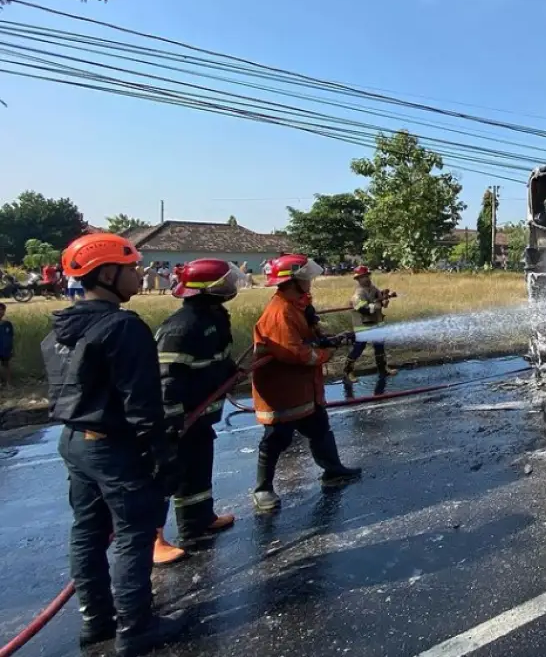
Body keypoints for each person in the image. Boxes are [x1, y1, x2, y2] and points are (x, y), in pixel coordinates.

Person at [42, 233, 184, 655]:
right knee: (133, 533)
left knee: (87, 531)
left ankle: (96, 621)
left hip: (73, 442)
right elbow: (141, 402)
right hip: (112, 446)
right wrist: (161, 454)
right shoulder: (123, 327)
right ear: (107, 273)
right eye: (131, 267)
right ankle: (136, 628)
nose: (139, 274)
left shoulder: (61, 329)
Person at [250, 253, 360, 513]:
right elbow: (296, 353)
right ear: (294, 281)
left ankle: (332, 470)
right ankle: (263, 489)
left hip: (303, 388)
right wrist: (327, 353)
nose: (311, 282)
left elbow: (308, 339)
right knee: (277, 438)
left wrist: (325, 338)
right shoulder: (279, 313)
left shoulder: (296, 306)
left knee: (319, 425)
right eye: (307, 278)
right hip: (282, 391)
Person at [150, 259, 241, 565]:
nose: (231, 288)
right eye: (225, 283)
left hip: (201, 417)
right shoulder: (181, 327)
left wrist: (231, 372)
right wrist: (172, 419)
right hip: (178, 420)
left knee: (198, 468)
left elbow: (217, 358)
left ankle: (198, 519)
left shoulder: (213, 318)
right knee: (166, 476)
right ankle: (153, 539)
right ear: (208, 290)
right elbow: (166, 378)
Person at [343, 265, 393, 396]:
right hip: (363, 326)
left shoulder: (373, 289)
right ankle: (348, 372)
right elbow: (364, 310)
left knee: (379, 347)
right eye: (363, 277)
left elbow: (380, 301)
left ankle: (383, 369)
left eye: (367, 276)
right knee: (359, 349)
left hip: (376, 324)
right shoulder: (357, 295)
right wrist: (376, 305)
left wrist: (384, 299)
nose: (366, 279)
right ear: (358, 279)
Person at [0, 302, 12, 389]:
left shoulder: (7, 324)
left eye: (2, 310)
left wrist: (12, 349)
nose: (0, 312)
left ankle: (8, 384)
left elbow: (11, 337)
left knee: (6, 365)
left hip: (5, 349)